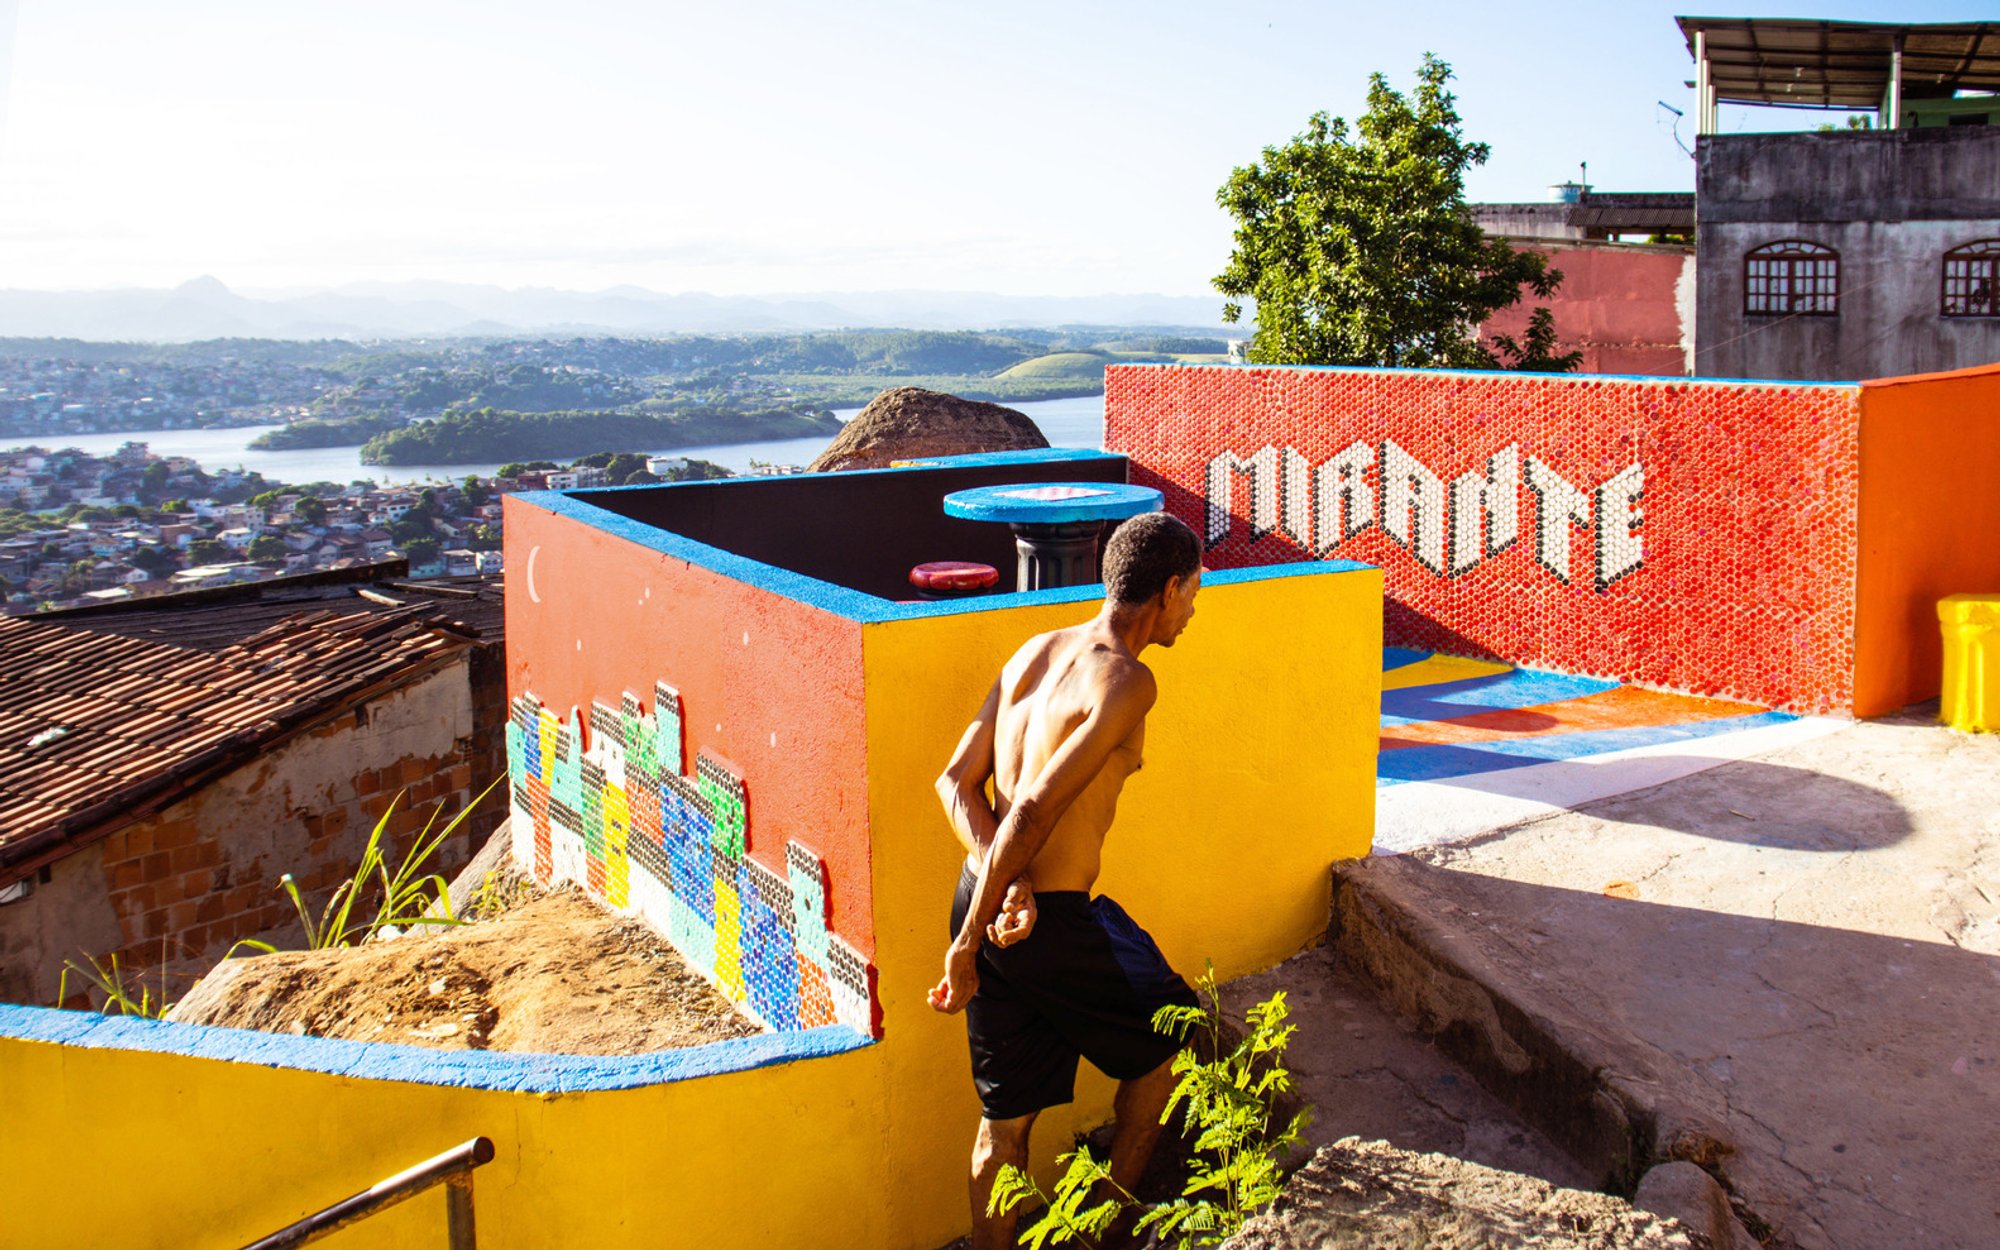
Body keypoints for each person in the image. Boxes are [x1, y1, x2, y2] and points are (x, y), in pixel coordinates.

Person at [928, 510, 1204, 1250]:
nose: (1195, 608)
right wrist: (985, 922)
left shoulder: (1032, 652)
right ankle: (1110, 1228)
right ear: (1168, 589)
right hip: (1048, 921)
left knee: (1005, 1127)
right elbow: (1035, 809)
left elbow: (955, 784)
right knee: (1166, 1051)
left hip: (987, 902)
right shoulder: (1127, 680)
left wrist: (993, 893)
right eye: (1194, 591)